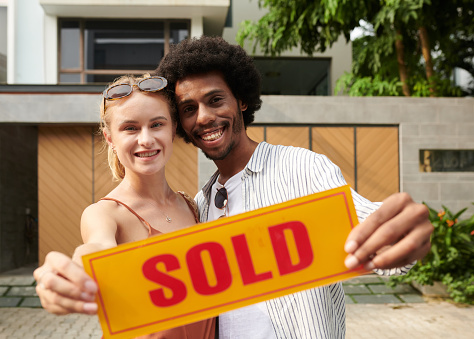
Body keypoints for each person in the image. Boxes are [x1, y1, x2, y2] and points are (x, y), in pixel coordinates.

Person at [35, 37, 433, 338]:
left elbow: (372, 234)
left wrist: (406, 236)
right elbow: (97, 250)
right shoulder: (203, 203)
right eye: (189, 108)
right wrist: (74, 272)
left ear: (241, 100)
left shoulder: (301, 166)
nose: (204, 117)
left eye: (215, 100)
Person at [34, 74, 215, 338]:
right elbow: (95, 248)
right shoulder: (104, 213)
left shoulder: (194, 206)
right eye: (130, 128)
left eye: (157, 124)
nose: (146, 139)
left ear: (173, 129)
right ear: (109, 138)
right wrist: (68, 274)